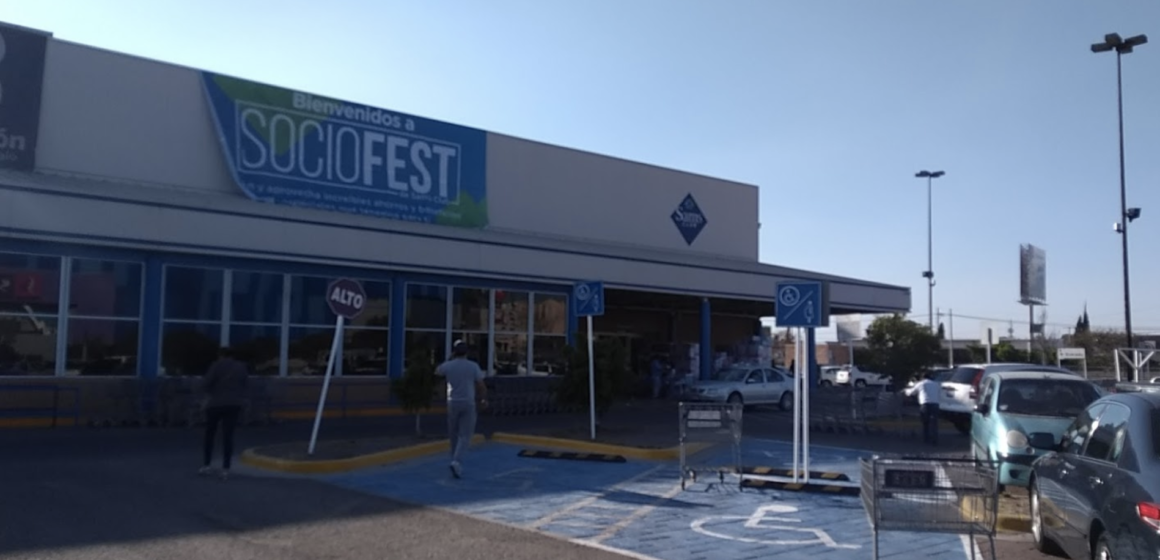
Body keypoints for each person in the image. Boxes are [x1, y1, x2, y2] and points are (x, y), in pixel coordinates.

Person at [436, 340, 487, 479]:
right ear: (467, 352)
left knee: (453, 433)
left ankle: (454, 459)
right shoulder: (473, 366)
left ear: (454, 351)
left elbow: (438, 371)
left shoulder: (449, 366)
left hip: (452, 402)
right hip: (468, 402)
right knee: (465, 434)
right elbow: (481, 384)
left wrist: (449, 358)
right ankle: (456, 461)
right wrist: (482, 399)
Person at [199, 346, 249, 479]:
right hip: (234, 404)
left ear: (220, 355)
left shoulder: (216, 366)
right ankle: (226, 468)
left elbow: (205, 384)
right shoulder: (241, 367)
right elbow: (245, 384)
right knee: (228, 436)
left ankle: (206, 465)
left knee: (210, 434)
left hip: (215, 404)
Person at [904, 371, 942, 446]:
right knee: (934, 423)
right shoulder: (936, 384)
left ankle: (926, 439)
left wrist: (906, 390)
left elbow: (911, 393)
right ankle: (935, 440)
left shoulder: (921, 384)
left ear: (922, 378)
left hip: (925, 404)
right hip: (935, 404)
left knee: (925, 423)